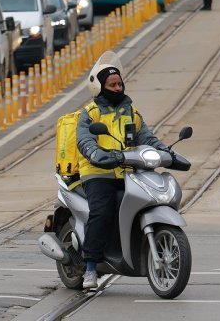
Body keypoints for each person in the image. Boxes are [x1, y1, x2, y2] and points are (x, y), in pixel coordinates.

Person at [76, 51, 169, 290]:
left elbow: (146, 136)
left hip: (128, 171)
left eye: (120, 83)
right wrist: (96, 154)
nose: (117, 88)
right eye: (112, 84)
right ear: (100, 87)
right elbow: (85, 140)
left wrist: (167, 152)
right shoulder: (90, 113)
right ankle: (90, 267)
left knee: (148, 200)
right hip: (98, 172)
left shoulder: (131, 112)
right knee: (103, 210)